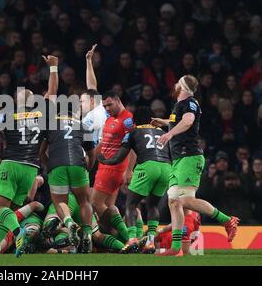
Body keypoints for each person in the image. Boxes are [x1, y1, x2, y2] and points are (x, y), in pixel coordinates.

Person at [0, 54, 58, 258]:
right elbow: (53, 92)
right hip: (31, 169)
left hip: (11, 164)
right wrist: (54, 68)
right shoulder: (42, 112)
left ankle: (18, 232)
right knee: (8, 211)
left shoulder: (8, 114)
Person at [152, 75, 239, 256]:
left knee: (186, 201)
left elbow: (188, 121)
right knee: (174, 202)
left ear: (182, 85)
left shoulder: (190, 103)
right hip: (178, 160)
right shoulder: (179, 106)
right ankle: (176, 248)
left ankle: (226, 221)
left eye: (178, 82)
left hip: (189, 157)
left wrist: (169, 135)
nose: (175, 84)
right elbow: (179, 121)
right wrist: (165, 123)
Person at [98, 106, 171, 254]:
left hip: (148, 166)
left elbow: (119, 157)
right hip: (166, 168)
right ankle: (150, 242)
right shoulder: (162, 132)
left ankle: (132, 239)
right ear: (152, 120)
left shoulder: (133, 132)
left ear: (134, 121)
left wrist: (105, 160)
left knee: (131, 204)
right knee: (153, 206)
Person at [42, 95, 96, 253]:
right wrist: (88, 168)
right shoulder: (83, 126)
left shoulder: (50, 124)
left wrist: (50, 165)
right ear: (76, 111)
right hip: (78, 165)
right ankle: (87, 234)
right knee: (84, 202)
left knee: (60, 202)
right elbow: (91, 154)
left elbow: (41, 153)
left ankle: (69, 222)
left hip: (56, 165)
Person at [90, 90, 135, 244]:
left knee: (95, 202)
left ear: (118, 100)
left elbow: (133, 146)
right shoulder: (110, 119)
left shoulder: (127, 119)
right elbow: (104, 142)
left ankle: (128, 239)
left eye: (110, 104)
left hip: (113, 168)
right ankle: (120, 242)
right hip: (104, 166)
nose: (107, 108)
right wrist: (89, 157)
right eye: (105, 106)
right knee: (109, 208)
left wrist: (129, 170)